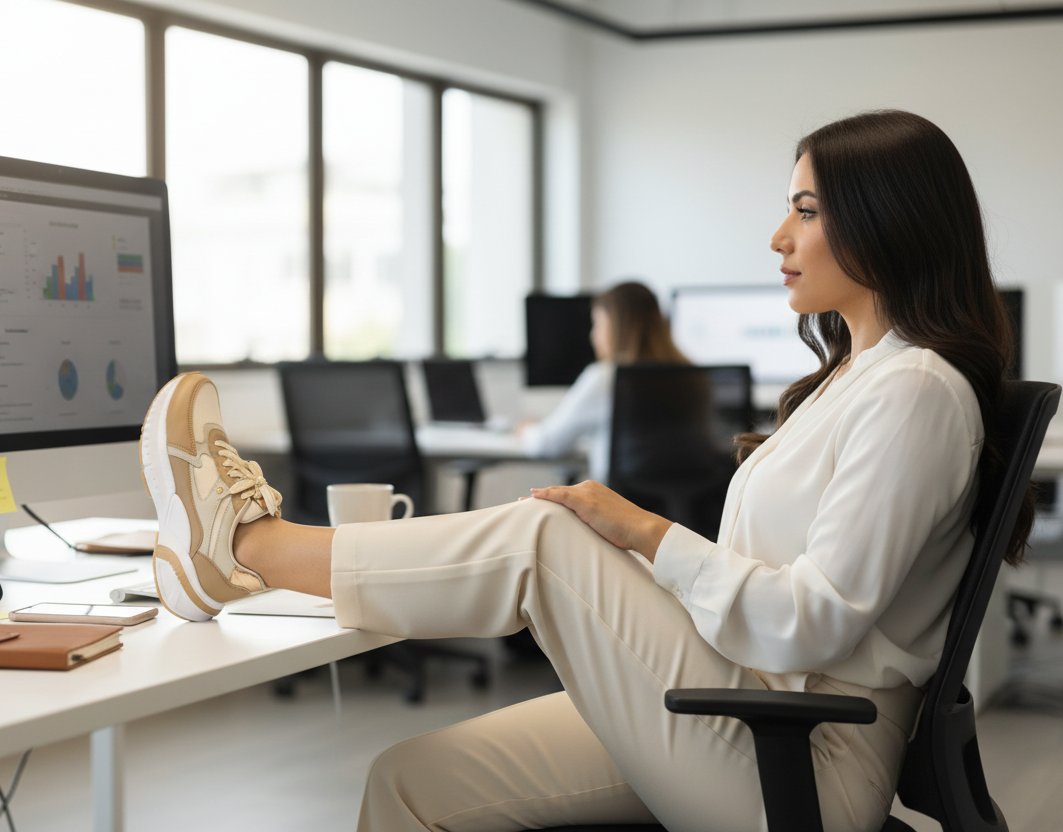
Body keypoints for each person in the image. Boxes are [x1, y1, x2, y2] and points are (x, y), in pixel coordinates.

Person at [138, 110, 1030, 832]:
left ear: (887, 222)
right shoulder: (858, 377)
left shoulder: (917, 390)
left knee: (543, 535)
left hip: (803, 753)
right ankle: (247, 557)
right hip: (741, 698)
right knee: (408, 781)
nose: (777, 236)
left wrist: (645, 534)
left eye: (804, 210)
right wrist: (642, 556)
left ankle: (247, 548)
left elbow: (813, 621)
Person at [518, 281, 689, 483]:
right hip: (677, 510)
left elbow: (547, 443)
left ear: (616, 327)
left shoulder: (605, 377)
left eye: (597, 324)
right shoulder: (690, 374)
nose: (593, 336)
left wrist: (526, 430)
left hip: (617, 507)